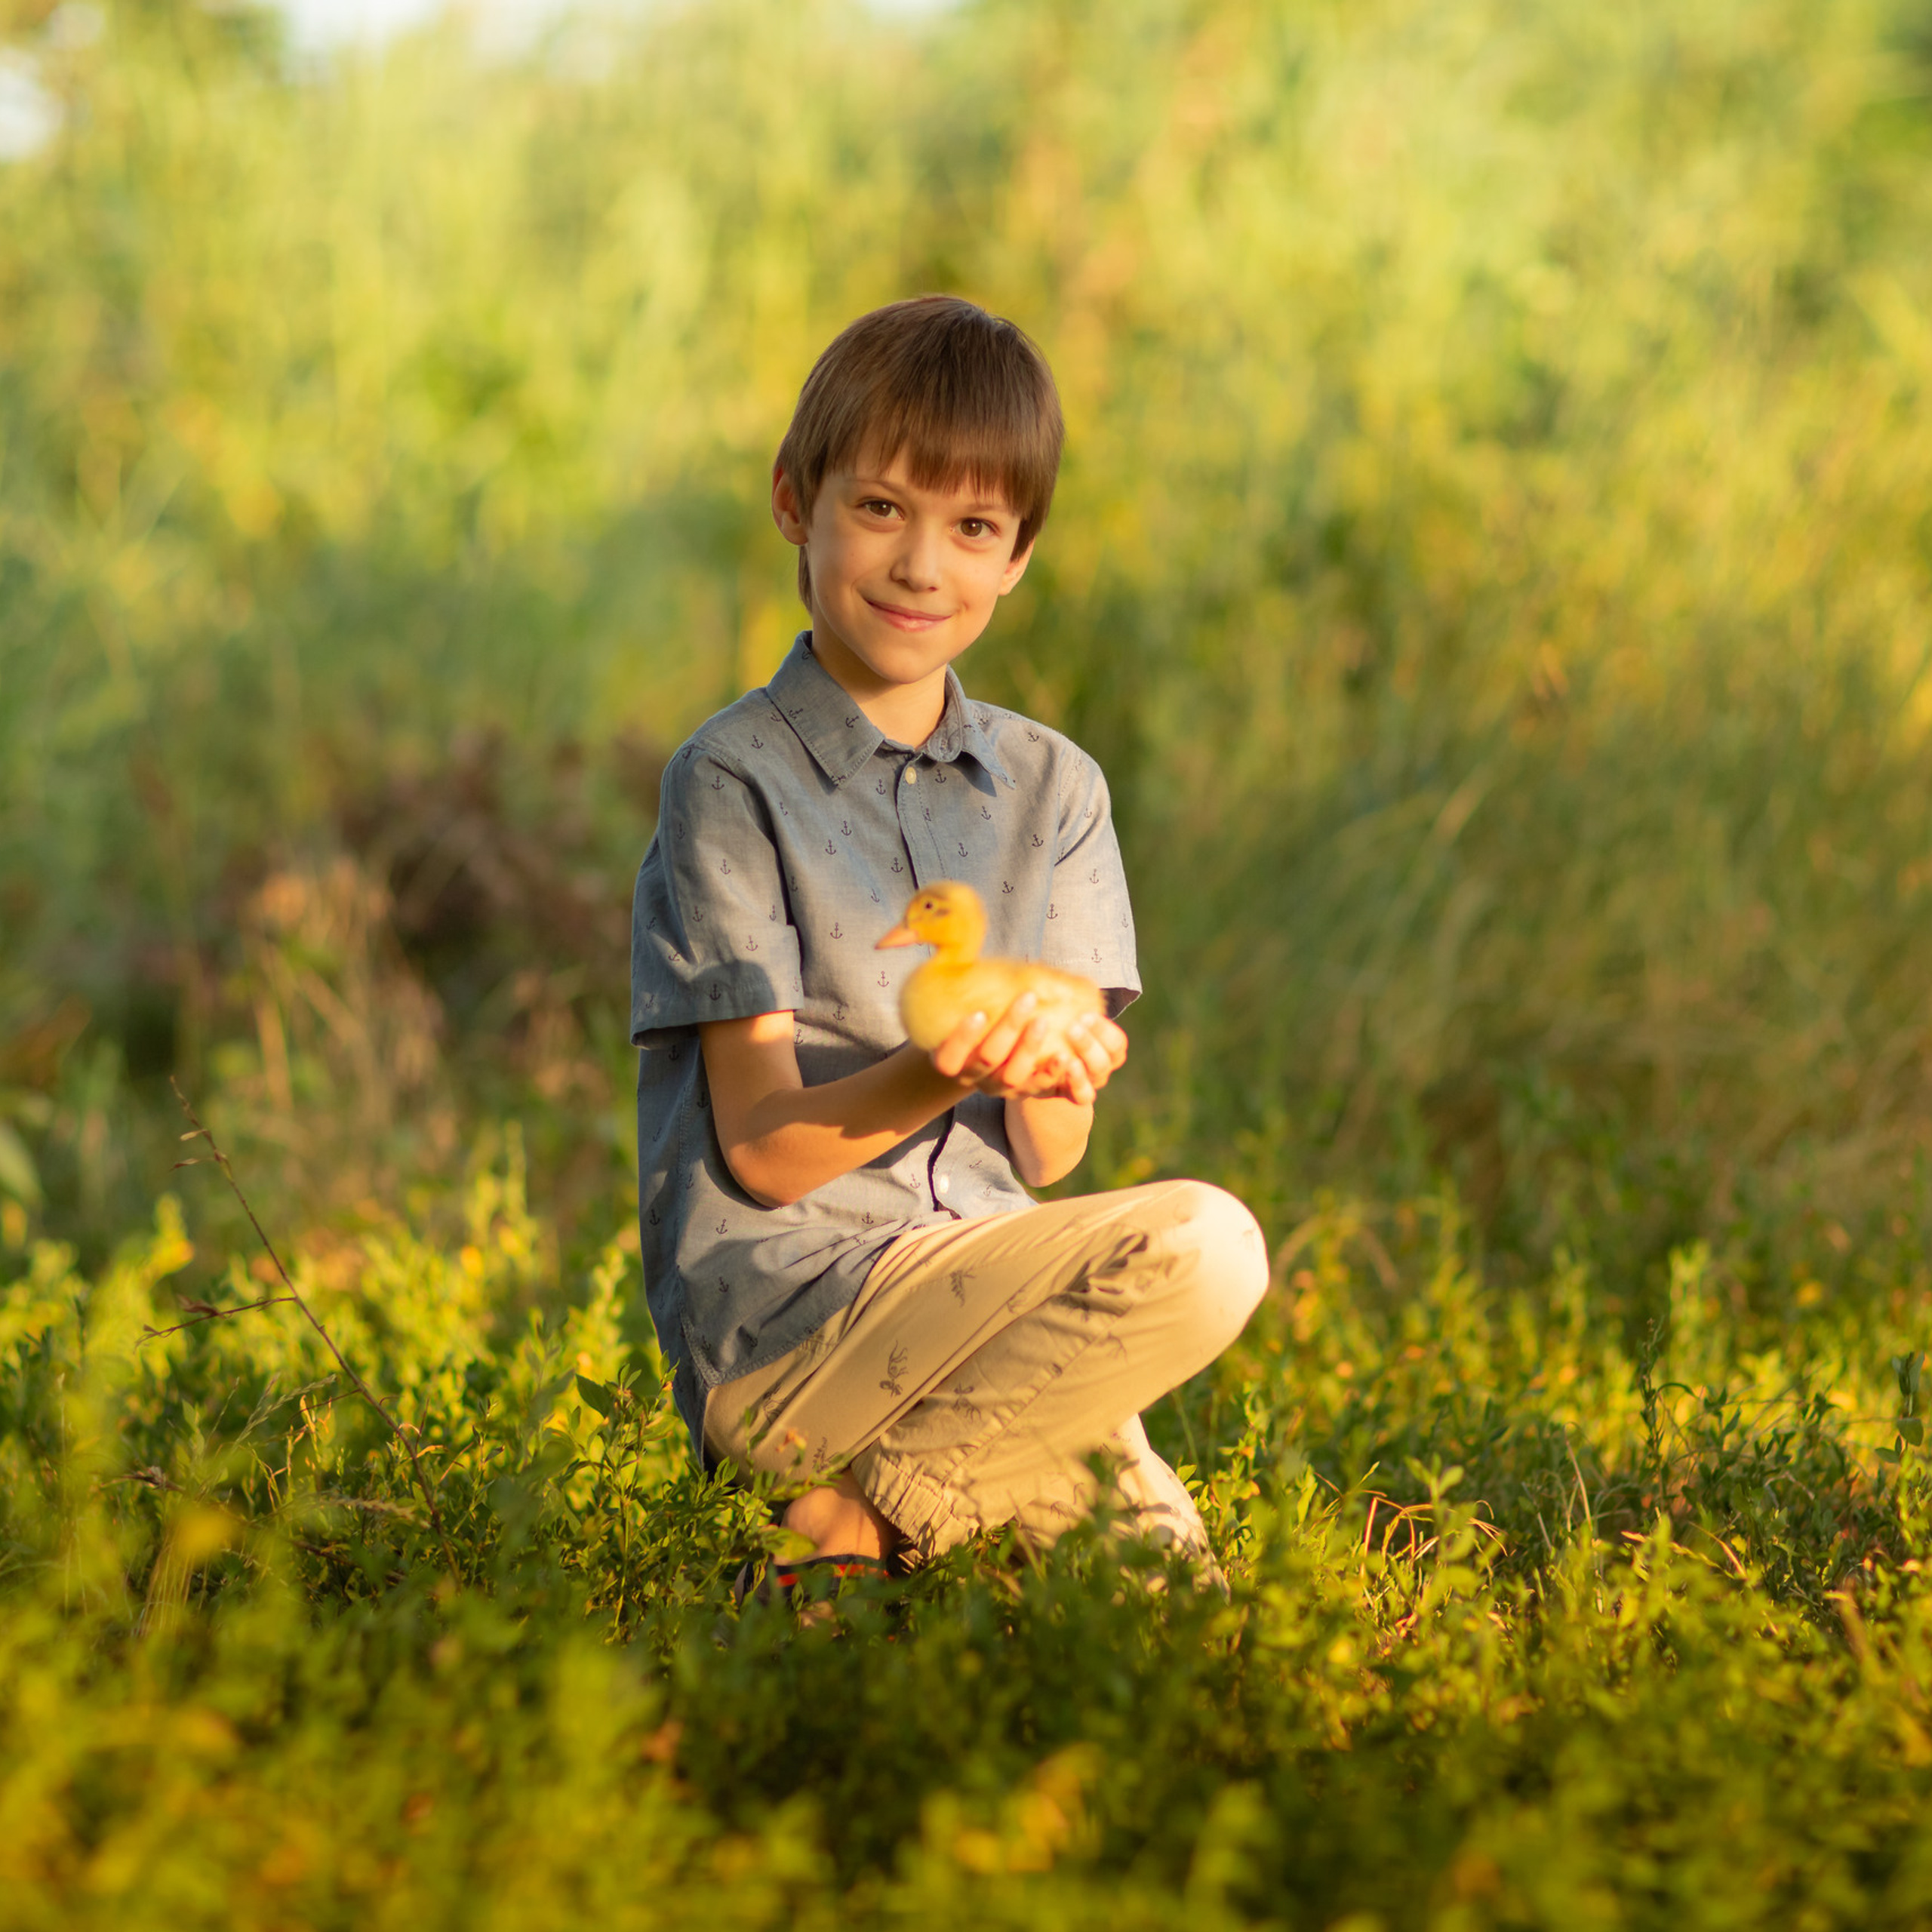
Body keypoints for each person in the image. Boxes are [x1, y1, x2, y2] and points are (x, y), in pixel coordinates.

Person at [629, 295, 1268, 1595]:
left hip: (981, 1306)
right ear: (795, 501)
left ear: (1019, 555)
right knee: (1211, 1243)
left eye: (973, 528)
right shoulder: (732, 783)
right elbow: (763, 1151)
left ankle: (847, 1524)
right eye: (882, 510)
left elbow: (1049, 1154)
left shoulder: (1057, 791)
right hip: (792, 1325)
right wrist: (951, 1067)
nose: (924, 567)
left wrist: (1046, 1074)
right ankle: (827, 1489)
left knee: (1172, 1612)